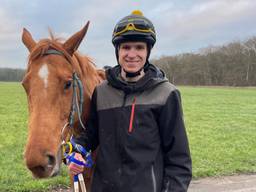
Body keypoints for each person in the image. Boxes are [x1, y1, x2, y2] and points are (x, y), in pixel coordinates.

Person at [68, 10, 192, 192]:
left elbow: (179, 159)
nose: (132, 54)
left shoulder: (166, 94)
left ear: (148, 51)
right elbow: (92, 134)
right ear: (118, 50)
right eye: (126, 47)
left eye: (139, 47)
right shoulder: (102, 92)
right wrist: (76, 150)